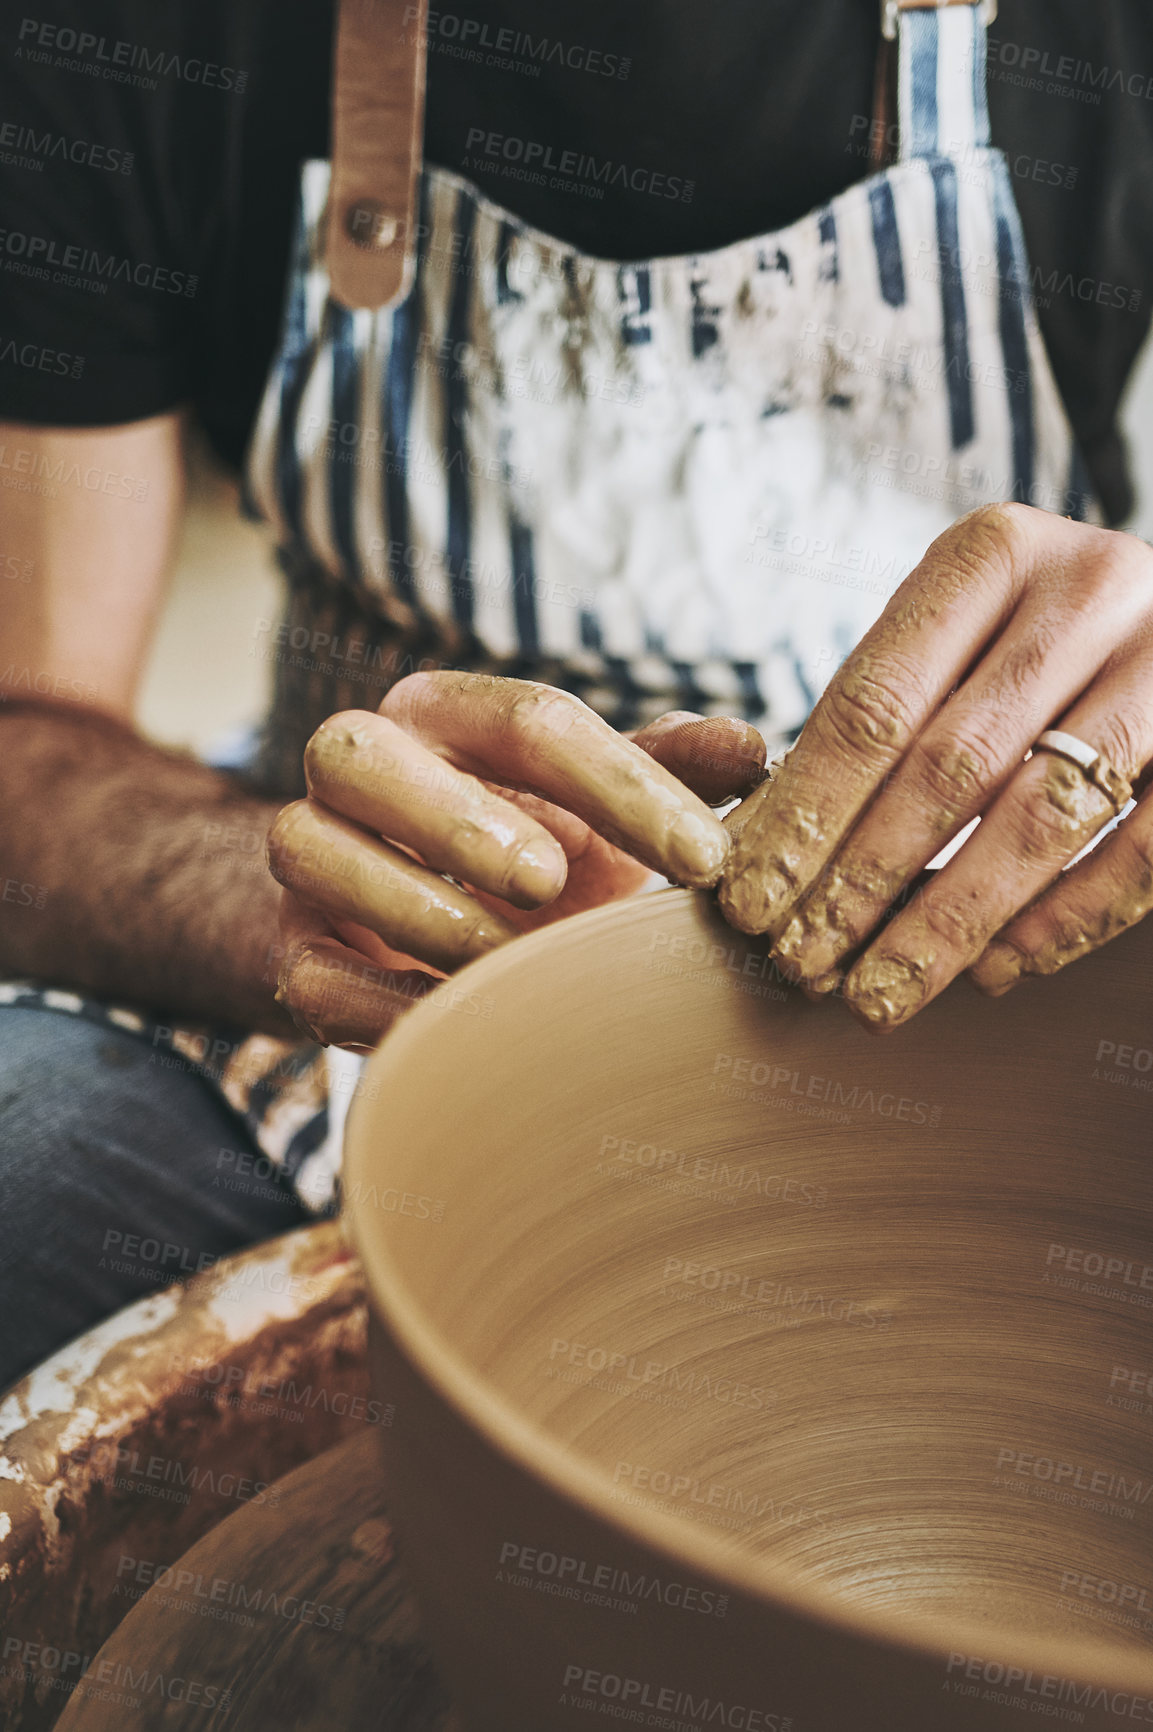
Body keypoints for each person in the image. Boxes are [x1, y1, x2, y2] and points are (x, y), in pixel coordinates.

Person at [1, 0, 1151, 1387]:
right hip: (377, 963)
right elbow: (28, 745)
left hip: (956, 968)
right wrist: (291, 889)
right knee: (26, 1159)